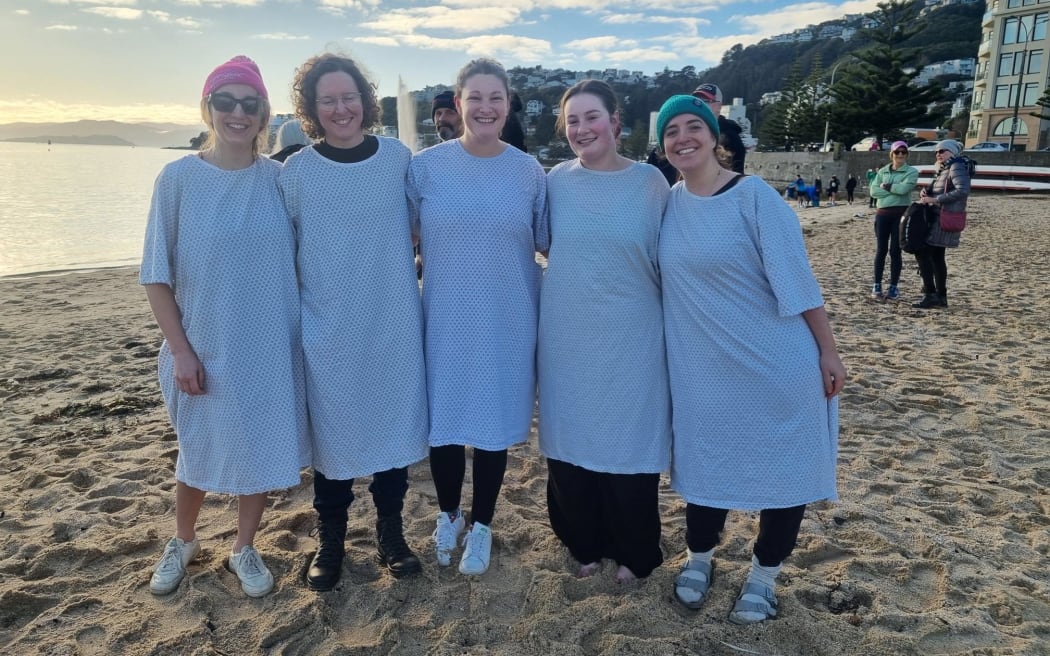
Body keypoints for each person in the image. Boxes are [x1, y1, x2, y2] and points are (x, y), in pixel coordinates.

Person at [654, 95, 846, 624]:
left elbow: (797, 279)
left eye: (695, 126)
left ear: (716, 137)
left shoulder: (754, 196)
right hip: (702, 372)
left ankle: (764, 577)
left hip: (773, 363)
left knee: (784, 473)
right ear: (663, 145)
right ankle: (700, 559)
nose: (683, 137)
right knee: (704, 463)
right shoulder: (665, 203)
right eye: (672, 131)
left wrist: (828, 350)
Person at [140, 55, 309, 598]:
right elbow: (155, 276)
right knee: (199, 448)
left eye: (250, 103)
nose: (238, 113)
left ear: (263, 115)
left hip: (268, 346)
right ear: (208, 108)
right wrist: (181, 349)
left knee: (257, 449)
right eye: (226, 101)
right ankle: (183, 540)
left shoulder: (281, 182)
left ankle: (243, 546)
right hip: (203, 346)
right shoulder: (179, 179)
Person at [279, 53, 428, 591]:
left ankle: (391, 534)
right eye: (328, 100)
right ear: (311, 109)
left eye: (349, 97)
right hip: (328, 326)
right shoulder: (296, 171)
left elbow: (425, 226)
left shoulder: (397, 159)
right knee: (334, 441)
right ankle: (332, 540)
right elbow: (279, 253)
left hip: (391, 321)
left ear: (366, 101)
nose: (341, 108)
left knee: (391, 433)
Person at [407, 58, 548, 576]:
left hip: (508, 319)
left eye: (496, 98)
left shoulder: (528, 172)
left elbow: (555, 245)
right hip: (443, 317)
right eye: (476, 97)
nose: (486, 107)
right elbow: (398, 238)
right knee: (444, 427)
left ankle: (483, 525)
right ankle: (449, 514)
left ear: (507, 105)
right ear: (458, 102)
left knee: (491, 429)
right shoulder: (425, 167)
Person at [538, 80, 671, 583]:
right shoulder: (555, 181)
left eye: (591, 117)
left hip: (633, 334)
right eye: (572, 121)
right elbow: (546, 244)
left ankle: (636, 549)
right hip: (567, 332)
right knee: (570, 440)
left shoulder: (650, 184)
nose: (581, 129)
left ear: (615, 121)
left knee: (628, 443)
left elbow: (671, 258)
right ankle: (583, 541)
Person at [913, 139, 969, 309]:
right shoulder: (944, 168)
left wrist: (934, 199)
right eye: (937, 152)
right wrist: (927, 191)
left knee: (924, 253)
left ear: (952, 152)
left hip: (942, 217)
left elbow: (962, 190)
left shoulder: (956, 166)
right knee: (937, 257)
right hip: (937, 216)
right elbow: (943, 188)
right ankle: (941, 296)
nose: (939, 154)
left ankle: (931, 294)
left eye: (943, 151)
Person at [868, 140, 919, 301]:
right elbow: (874, 191)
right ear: (892, 154)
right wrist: (894, 190)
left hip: (900, 215)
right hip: (882, 214)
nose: (901, 155)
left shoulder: (911, 171)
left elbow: (905, 189)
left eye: (904, 152)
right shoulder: (883, 171)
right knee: (881, 250)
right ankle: (877, 285)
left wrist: (886, 187)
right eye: (897, 152)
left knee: (895, 251)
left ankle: (894, 287)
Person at [691, 83, 745, 174]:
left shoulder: (729, 138)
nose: (700, 105)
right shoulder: (691, 132)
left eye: (706, 101)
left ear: (719, 106)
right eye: (696, 101)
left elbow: (734, 175)